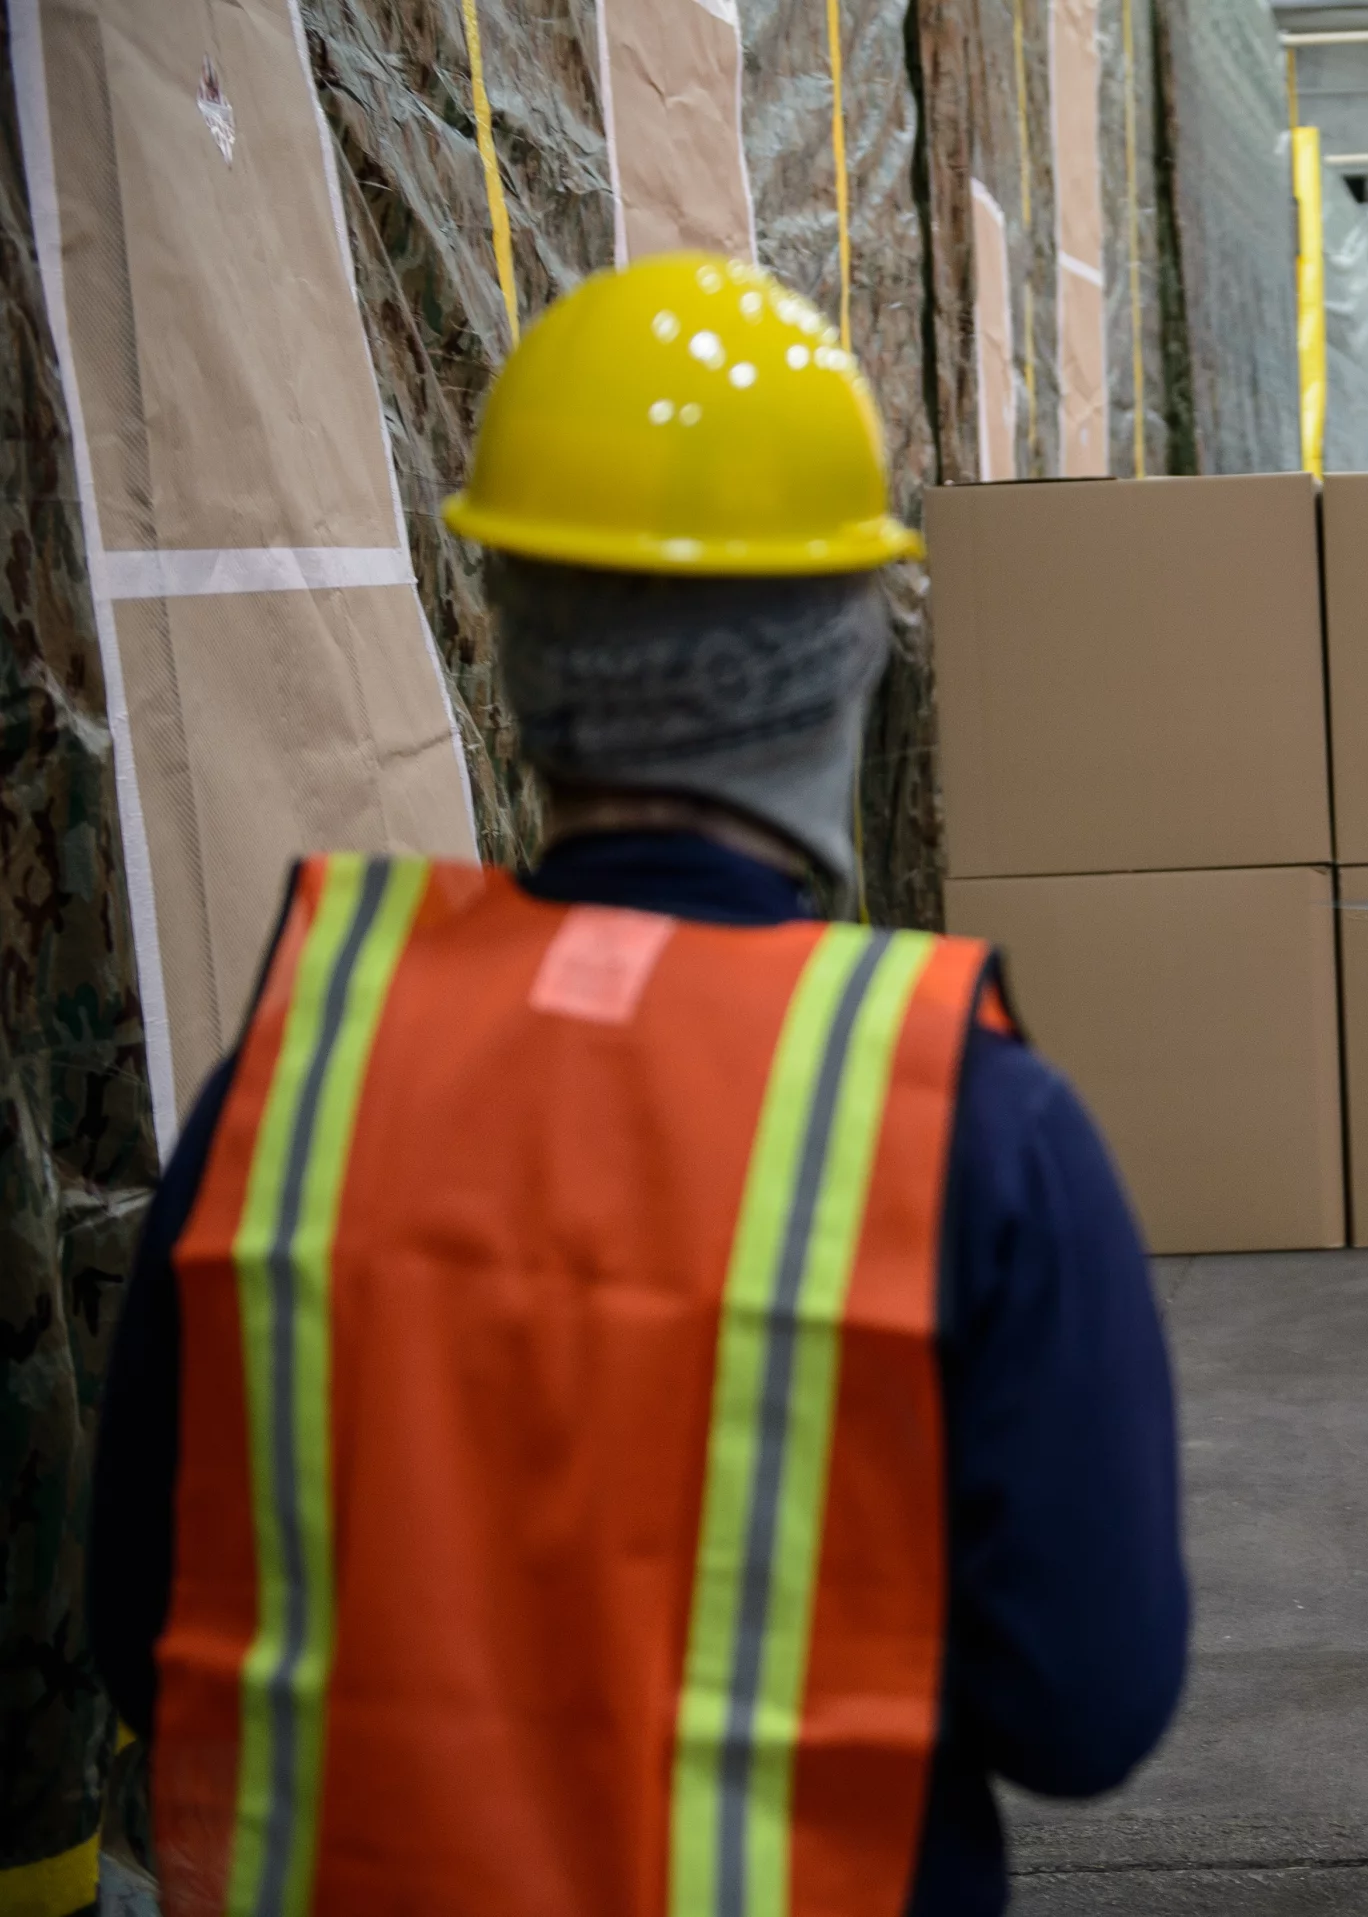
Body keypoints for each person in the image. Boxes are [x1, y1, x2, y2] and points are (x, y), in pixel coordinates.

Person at [86, 253, 1187, 1916]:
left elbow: (144, 1632)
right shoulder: (962, 1123)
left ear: (519, 650)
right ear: (843, 655)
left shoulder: (293, 1081)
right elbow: (1084, 1705)